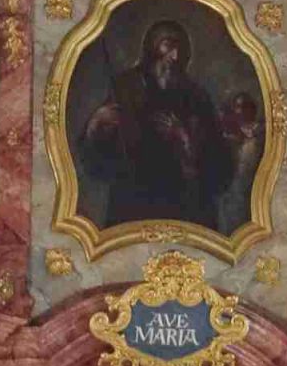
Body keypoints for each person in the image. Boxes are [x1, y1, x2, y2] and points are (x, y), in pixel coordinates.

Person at [79, 18, 251, 232]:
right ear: (151, 49)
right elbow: (97, 164)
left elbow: (219, 170)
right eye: (168, 46)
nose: (175, 57)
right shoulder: (127, 88)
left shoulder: (196, 97)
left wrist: (186, 140)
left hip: (185, 207)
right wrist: (96, 124)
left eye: (180, 50)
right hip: (134, 204)